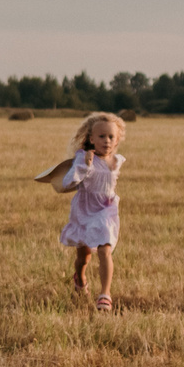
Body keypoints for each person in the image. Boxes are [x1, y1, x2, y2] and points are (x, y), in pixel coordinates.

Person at [47, 111, 126, 310]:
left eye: (111, 137)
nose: (107, 141)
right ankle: (80, 278)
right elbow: (68, 182)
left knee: (105, 248)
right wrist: (85, 166)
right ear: (91, 139)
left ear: (117, 140)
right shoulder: (83, 158)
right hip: (84, 211)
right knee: (83, 258)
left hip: (106, 210)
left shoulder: (117, 161)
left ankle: (105, 294)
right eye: (102, 136)